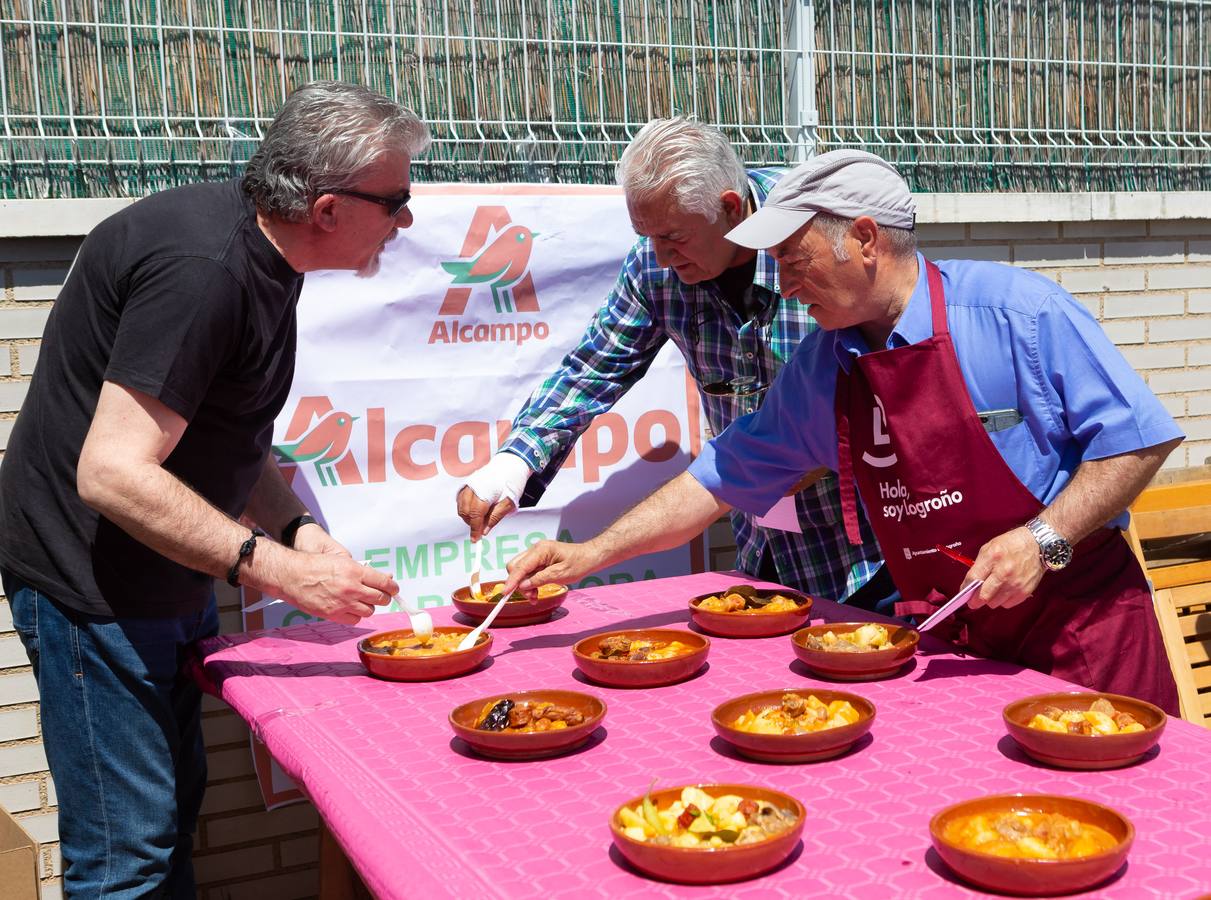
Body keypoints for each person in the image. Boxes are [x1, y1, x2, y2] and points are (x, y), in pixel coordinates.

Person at [501, 149, 1181, 714]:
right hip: (952, 641)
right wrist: (588, 556)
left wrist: (1044, 539)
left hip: (1079, 628)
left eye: (795, 262)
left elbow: (1137, 440)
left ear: (863, 240)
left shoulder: (1017, 314)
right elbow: (721, 477)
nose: (785, 288)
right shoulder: (826, 363)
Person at [0, 81, 428, 896]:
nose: (405, 220)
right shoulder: (205, 270)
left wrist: (298, 530)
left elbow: (225, 433)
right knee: (129, 858)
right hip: (92, 591)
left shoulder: (273, 254)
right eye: (396, 200)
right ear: (329, 207)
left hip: (167, 572)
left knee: (165, 822)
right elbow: (111, 471)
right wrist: (278, 569)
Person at [456, 118, 888, 606]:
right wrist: (514, 462)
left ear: (730, 208)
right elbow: (594, 368)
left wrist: (802, 454)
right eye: (648, 236)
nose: (660, 257)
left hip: (865, 552)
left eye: (673, 237)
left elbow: (890, 378)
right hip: (762, 550)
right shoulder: (653, 266)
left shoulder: (814, 235)